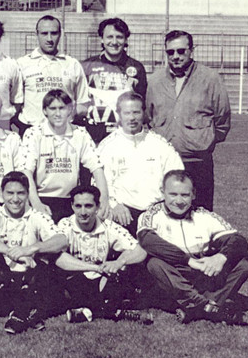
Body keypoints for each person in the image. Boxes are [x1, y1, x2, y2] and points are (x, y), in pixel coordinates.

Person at [137, 170, 248, 325]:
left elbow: (239, 241)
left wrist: (221, 257)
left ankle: (199, 307)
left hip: (202, 272)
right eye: (173, 194)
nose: (179, 201)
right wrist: (188, 261)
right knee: (154, 264)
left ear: (193, 194)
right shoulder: (151, 214)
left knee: (243, 265)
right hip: (174, 273)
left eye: (185, 195)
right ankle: (206, 304)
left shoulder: (204, 215)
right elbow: (148, 241)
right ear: (162, 192)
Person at [146, 30, 231, 211]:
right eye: (170, 52)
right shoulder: (154, 81)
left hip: (197, 162)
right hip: (163, 162)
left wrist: (203, 141)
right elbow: (148, 118)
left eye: (181, 51)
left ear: (191, 50)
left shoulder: (210, 79)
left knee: (200, 214)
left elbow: (222, 119)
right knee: (162, 213)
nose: (175, 56)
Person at [0, 172, 67, 334]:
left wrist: (31, 249)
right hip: (3, 276)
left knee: (48, 268)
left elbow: (62, 240)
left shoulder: (37, 216)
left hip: (30, 275)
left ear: (28, 194)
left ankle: (20, 313)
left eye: (20, 193)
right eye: (10, 193)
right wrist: (11, 252)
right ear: (1, 193)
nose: (15, 199)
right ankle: (27, 313)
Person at [54, 185, 149, 324]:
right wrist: (94, 267)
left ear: (97, 207)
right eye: (78, 206)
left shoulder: (109, 226)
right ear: (72, 206)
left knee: (126, 272)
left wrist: (119, 262)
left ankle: (89, 311)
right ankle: (112, 311)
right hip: (76, 278)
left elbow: (140, 250)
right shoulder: (65, 225)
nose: (83, 212)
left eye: (88, 206)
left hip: (101, 280)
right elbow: (58, 258)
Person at [97, 92, 183, 234]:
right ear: (119, 114)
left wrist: (165, 207)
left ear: (144, 113)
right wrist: (115, 205)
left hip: (158, 212)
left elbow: (177, 178)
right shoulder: (107, 147)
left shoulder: (161, 145)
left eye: (136, 112)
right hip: (123, 214)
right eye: (127, 113)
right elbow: (100, 183)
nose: (132, 118)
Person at [19, 90, 110, 223]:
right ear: (44, 111)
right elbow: (26, 171)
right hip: (41, 198)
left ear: (70, 109)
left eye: (62, 108)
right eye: (52, 108)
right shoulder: (33, 133)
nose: (57, 113)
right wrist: (36, 203)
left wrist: (104, 200)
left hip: (72, 201)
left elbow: (97, 168)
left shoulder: (80, 133)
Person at [15, 15, 90, 137]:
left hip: (64, 132)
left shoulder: (72, 64)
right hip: (32, 131)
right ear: (36, 34)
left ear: (60, 34)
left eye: (54, 33)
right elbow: (16, 103)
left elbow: (82, 103)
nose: (49, 39)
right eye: (44, 33)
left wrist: (67, 120)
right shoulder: (22, 64)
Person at [81, 18, 147, 144]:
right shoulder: (87, 66)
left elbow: (141, 105)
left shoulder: (136, 68)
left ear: (126, 40)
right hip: (93, 135)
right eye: (110, 37)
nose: (114, 42)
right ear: (102, 39)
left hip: (124, 136)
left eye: (119, 37)